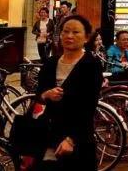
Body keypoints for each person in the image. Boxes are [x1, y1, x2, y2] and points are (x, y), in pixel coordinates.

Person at [34, 15, 103, 169]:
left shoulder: (91, 65)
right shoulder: (50, 63)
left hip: (78, 138)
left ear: (86, 38)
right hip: (48, 134)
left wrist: (71, 139)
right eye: (65, 31)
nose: (69, 36)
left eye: (76, 32)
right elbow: (38, 96)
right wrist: (46, 95)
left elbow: (88, 107)